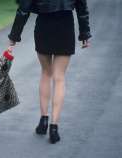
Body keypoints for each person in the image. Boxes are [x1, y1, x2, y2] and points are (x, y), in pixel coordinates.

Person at [8, 0, 91, 143]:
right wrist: (85, 33)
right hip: (65, 25)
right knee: (59, 78)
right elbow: (82, 7)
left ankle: (43, 120)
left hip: (44, 25)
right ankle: (54, 127)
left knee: (46, 73)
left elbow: (24, 8)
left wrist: (15, 35)